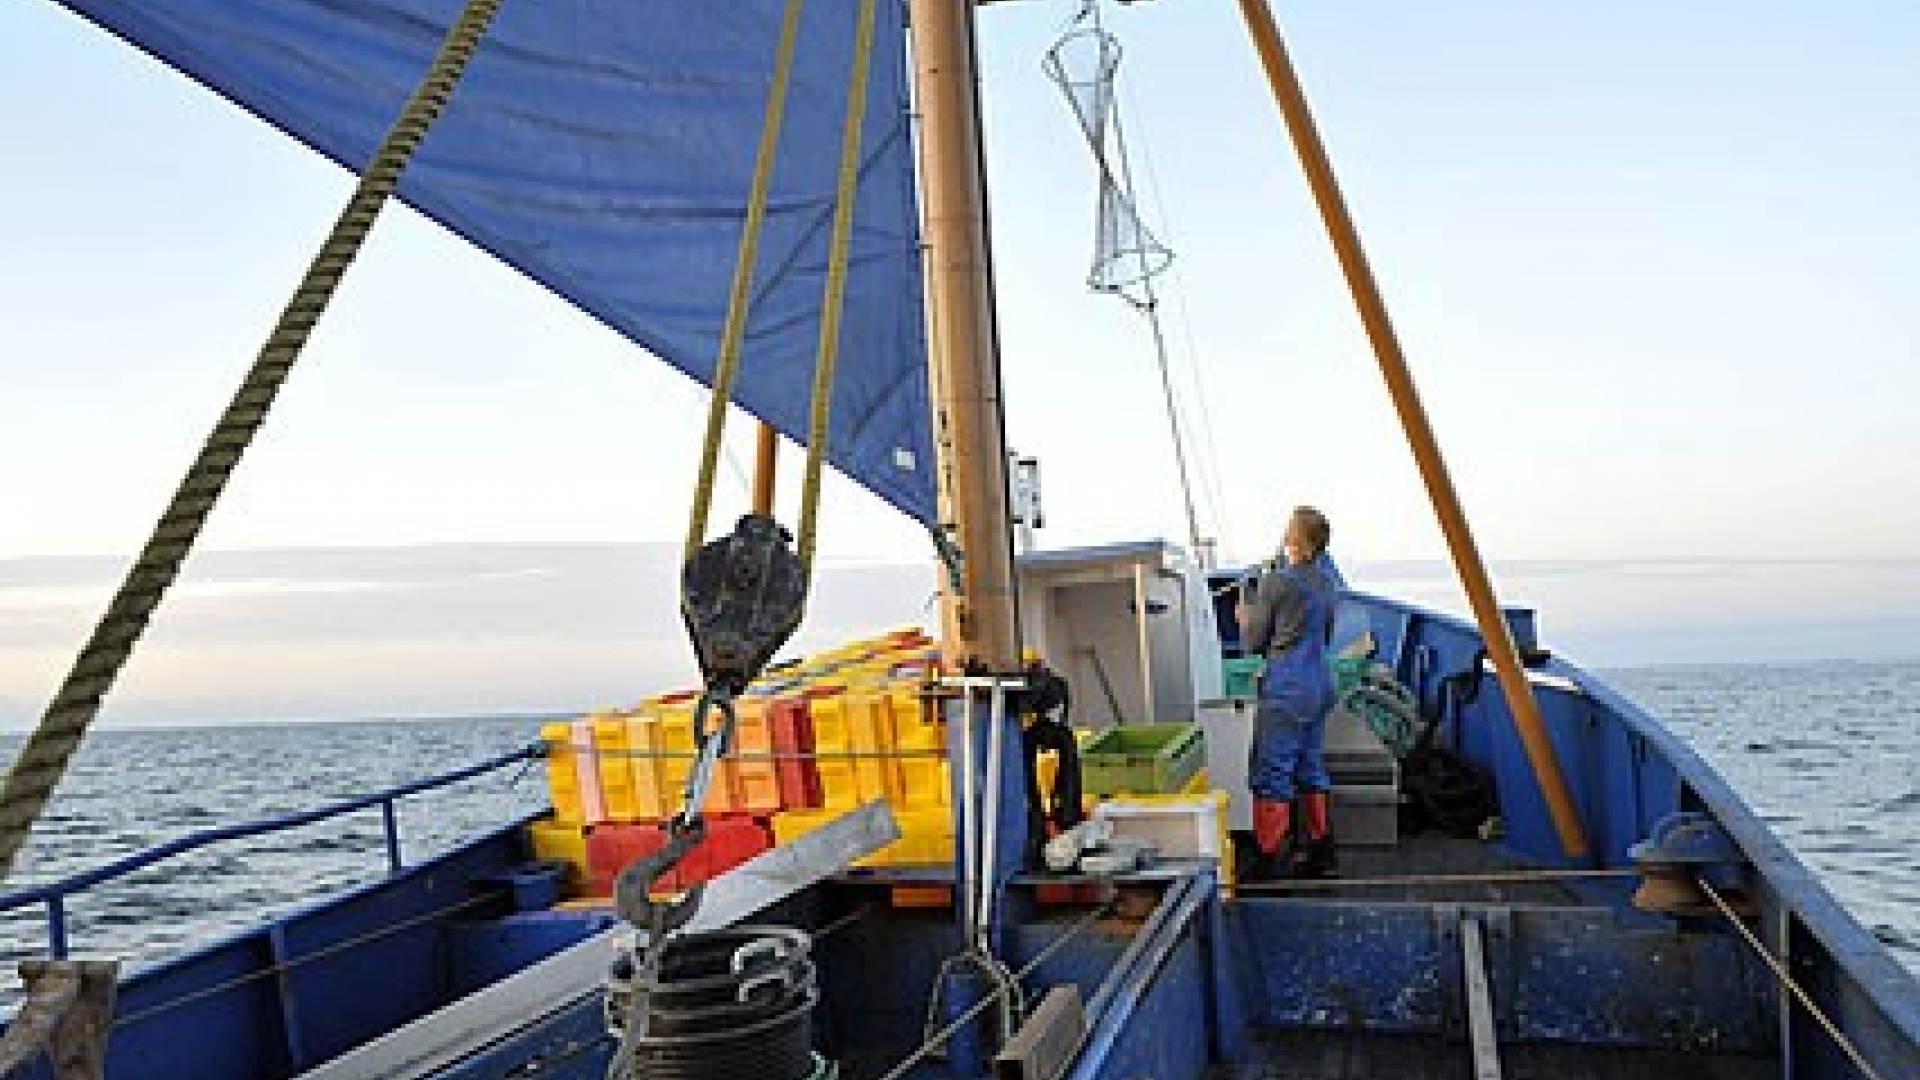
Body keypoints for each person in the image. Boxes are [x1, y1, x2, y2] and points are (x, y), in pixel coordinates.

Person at [1237, 505, 1339, 879]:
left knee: (1272, 772)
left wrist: (1245, 616)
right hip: (1319, 683)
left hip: (1288, 688)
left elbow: (1253, 643)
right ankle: (1321, 854)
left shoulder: (1275, 583)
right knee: (1311, 767)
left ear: (1295, 539)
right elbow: (1325, 632)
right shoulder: (1328, 581)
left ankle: (1270, 862)